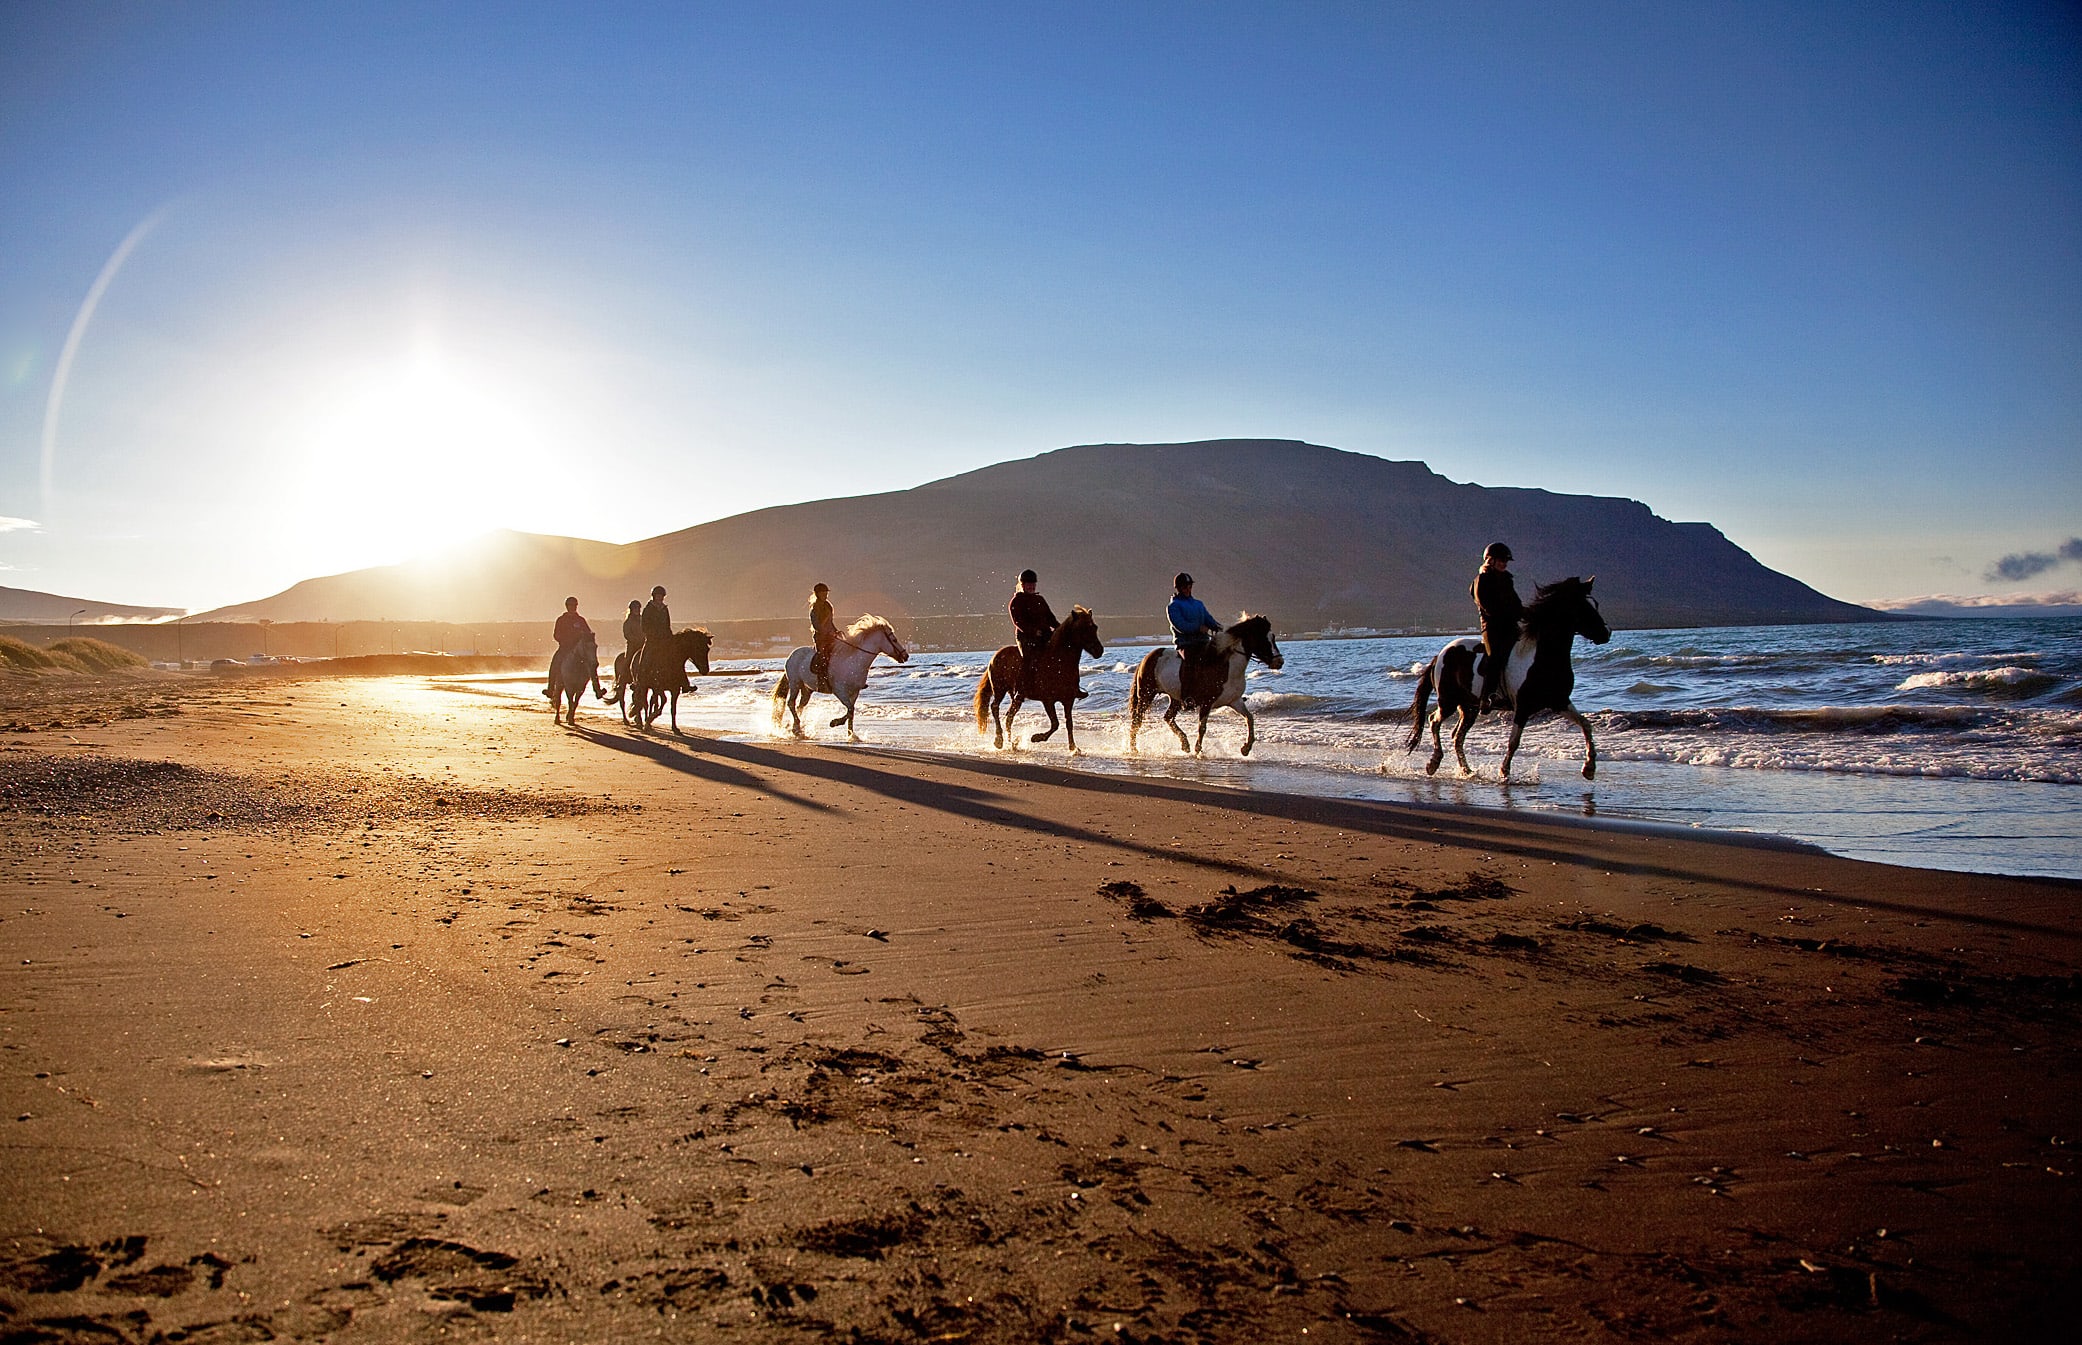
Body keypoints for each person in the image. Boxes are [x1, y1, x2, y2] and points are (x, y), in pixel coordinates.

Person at [1009, 568, 1084, 698]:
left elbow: (1051, 618)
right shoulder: (1016, 601)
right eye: (1028, 584)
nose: (1031, 586)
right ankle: (1021, 690)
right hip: (1026, 637)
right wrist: (1033, 631)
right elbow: (1018, 622)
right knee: (1029, 659)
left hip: (1044, 635)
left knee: (1066, 655)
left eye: (1033, 584)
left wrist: (1061, 630)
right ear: (1022, 585)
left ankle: (1074, 687)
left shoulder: (1040, 600)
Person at [1471, 542, 1524, 710]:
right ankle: (1487, 697)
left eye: (1506, 561)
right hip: (1492, 628)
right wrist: (1510, 615)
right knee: (1495, 657)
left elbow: (1517, 604)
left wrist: (1530, 614)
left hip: (1510, 626)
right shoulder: (1482, 580)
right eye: (1501, 560)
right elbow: (1488, 607)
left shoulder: (1507, 579)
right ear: (1490, 560)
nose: (1504, 563)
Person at [1167, 572, 1226, 706]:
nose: (1188, 589)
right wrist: (1198, 628)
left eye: (1189, 586)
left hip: (1203, 641)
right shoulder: (1173, 606)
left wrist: (1220, 628)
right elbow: (1180, 625)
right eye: (1185, 587)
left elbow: (1209, 619)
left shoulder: (1199, 604)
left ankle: (1224, 691)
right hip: (1185, 644)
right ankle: (1187, 697)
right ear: (1179, 588)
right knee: (1191, 663)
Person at [543, 596, 592, 698]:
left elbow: (588, 633)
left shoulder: (581, 620)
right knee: (555, 663)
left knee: (592, 663)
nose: (572, 607)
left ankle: (597, 689)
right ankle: (550, 689)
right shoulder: (561, 620)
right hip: (565, 648)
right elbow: (556, 635)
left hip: (579, 649)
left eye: (574, 605)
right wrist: (564, 640)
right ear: (567, 606)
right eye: (570, 605)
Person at [808, 582, 838, 688]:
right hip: (820, 637)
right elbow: (816, 625)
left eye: (826, 593)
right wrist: (826, 633)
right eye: (823, 593)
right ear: (817, 594)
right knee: (823, 656)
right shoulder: (814, 609)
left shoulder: (828, 606)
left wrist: (836, 631)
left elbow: (830, 622)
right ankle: (821, 679)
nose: (825, 595)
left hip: (831, 636)